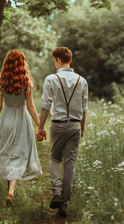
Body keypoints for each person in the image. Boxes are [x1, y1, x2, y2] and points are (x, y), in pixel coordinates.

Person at [0, 49, 43, 206]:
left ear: (7, 63)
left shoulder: (0, 81)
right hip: (22, 120)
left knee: (6, 154)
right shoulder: (27, 82)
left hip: (6, 120)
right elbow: (31, 107)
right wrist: (40, 126)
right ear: (22, 63)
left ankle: (9, 192)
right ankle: (11, 191)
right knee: (20, 156)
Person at [36, 47, 88, 217]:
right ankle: (64, 205)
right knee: (70, 164)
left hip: (58, 125)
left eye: (54, 61)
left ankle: (56, 192)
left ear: (58, 60)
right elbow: (84, 108)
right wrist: (82, 128)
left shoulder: (51, 79)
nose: (54, 64)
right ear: (70, 60)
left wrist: (41, 127)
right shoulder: (82, 81)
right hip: (74, 125)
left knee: (55, 157)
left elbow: (45, 105)